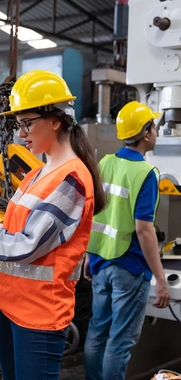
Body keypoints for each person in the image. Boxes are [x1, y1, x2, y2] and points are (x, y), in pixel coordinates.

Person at [0, 69, 107, 380]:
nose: (21, 133)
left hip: (39, 313)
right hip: (10, 304)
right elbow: (14, 227)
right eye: (19, 125)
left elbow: (26, 245)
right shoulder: (37, 172)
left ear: (54, 120)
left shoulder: (71, 180)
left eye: (27, 123)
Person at [83, 101, 170, 380]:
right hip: (129, 267)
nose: (156, 132)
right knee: (120, 341)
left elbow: (94, 211)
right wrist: (161, 278)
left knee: (97, 333)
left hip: (100, 261)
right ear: (146, 134)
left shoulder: (105, 162)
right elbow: (144, 230)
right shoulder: (146, 174)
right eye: (153, 127)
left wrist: (88, 254)